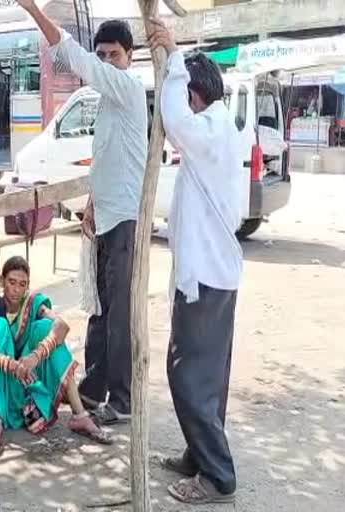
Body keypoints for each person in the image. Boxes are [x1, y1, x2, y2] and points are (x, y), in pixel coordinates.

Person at [15, 0, 147, 425]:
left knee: (119, 314)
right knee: (101, 309)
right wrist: (92, 203)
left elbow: (72, 54)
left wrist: (33, 10)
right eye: (103, 54)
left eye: (114, 55)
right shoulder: (107, 103)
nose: (107, 62)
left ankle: (122, 401)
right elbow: (108, 158)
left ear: (129, 57)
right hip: (106, 215)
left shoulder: (126, 89)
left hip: (125, 218)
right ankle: (94, 389)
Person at [148, 20, 243, 504]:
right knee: (207, 375)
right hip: (211, 273)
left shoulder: (208, 127)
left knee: (187, 373)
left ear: (196, 95)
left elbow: (176, 119)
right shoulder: (218, 129)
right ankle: (199, 452)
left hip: (207, 275)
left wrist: (174, 62)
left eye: (187, 92)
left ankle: (218, 475)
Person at [0, 256, 113, 456]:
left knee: (47, 328)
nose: (16, 289)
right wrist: (9, 364)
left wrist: (34, 357)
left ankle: (79, 415)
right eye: (11, 282)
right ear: (2, 281)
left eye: (22, 284)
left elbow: (61, 325)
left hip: (27, 382)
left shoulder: (34, 305)